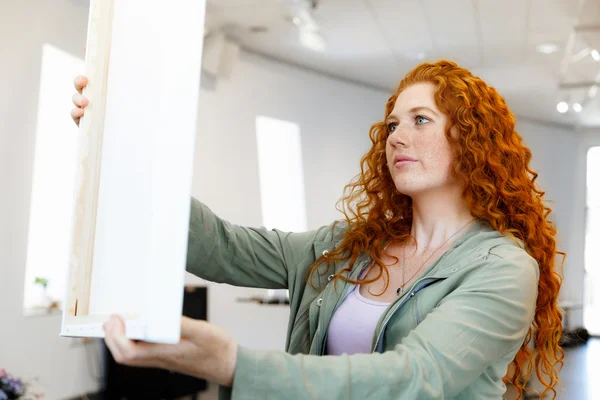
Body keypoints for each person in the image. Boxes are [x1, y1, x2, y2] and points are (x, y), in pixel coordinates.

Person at [70, 60, 564, 399]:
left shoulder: (503, 268)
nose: (397, 138)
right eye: (392, 126)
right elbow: (218, 247)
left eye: (420, 120)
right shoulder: (346, 246)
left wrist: (234, 365)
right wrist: (122, 147)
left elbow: (415, 378)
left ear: (473, 142)